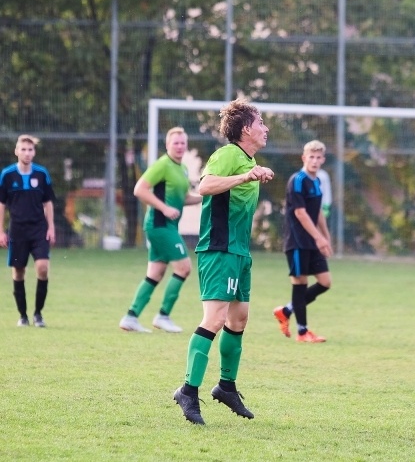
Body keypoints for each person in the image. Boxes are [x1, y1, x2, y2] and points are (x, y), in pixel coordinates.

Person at [173, 99, 274, 425]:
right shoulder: (229, 154)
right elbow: (205, 186)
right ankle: (188, 390)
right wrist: (246, 177)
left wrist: (253, 173)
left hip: (240, 253)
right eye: (260, 122)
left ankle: (226, 386)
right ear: (246, 129)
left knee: (239, 319)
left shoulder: (248, 160)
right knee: (214, 318)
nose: (265, 128)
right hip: (219, 249)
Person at [119, 127, 202, 333]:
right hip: (160, 225)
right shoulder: (162, 164)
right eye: (176, 143)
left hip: (166, 226)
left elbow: (183, 199)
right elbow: (140, 189)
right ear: (167, 145)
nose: (180, 146)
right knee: (184, 268)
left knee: (155, 273)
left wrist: (207, 196)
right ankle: (163, 315)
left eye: (183, 142)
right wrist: (164, 208)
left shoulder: (181, 168)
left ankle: (131, 316)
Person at [273, 140, 333, 343]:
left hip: (313, 241)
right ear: (304, 158)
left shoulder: (317, 182)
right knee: (300, 283)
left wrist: (325, 237)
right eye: (311, 157)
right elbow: (300, 213)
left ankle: (286, 310)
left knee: (325, 282)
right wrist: (319, 238)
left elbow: (317, 214)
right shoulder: (297, 180)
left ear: (323, 160)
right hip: (297, 241)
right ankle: (302, 332)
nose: (315, 161)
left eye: (318, 157)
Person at [0, 135, 56, 328]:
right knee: (19, 271)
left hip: (38, 229)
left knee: (42, 267)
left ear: (34, 152)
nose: (27, 153)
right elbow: (1, 204)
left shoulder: (41, 174)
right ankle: (23, 315)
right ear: (16, 151)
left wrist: (51, 227)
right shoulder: (7, 175)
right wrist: (0, 231)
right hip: (17, 231)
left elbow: (47, 202)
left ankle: (38, 314)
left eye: (30, 150)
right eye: (23, 149)